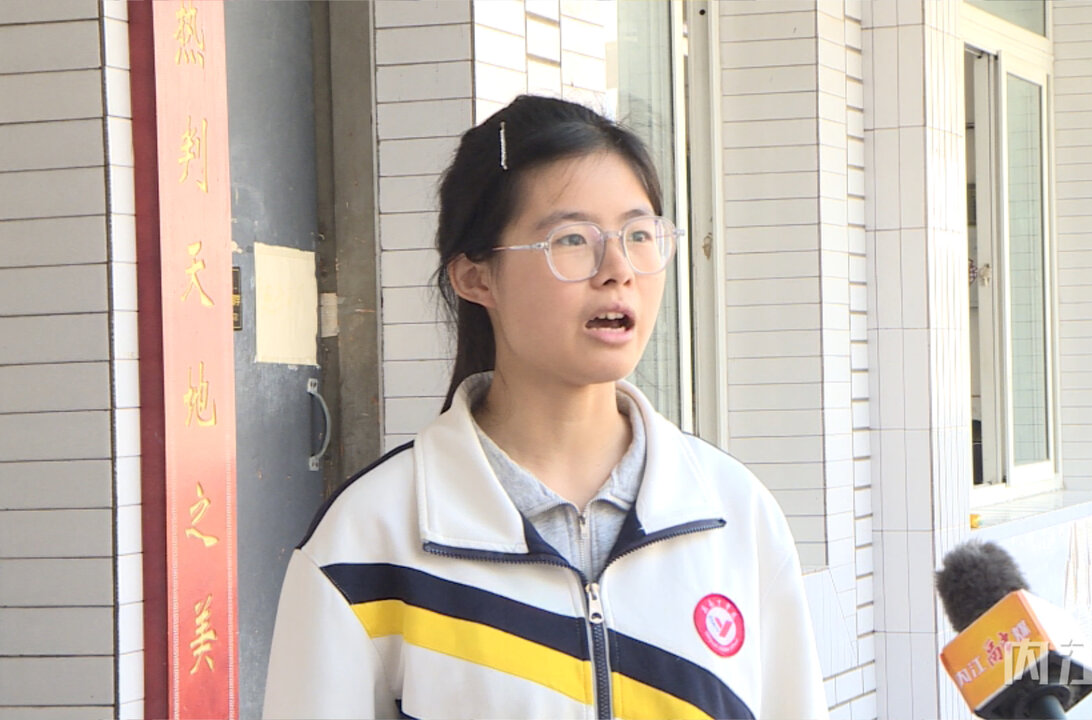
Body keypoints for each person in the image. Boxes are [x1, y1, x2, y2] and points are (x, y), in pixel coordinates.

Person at [263, 94, 827, 720]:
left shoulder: (734, 516)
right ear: (476, 277)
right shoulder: (367, 541)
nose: (618, 270)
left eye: (640, 235)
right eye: (572, 239)